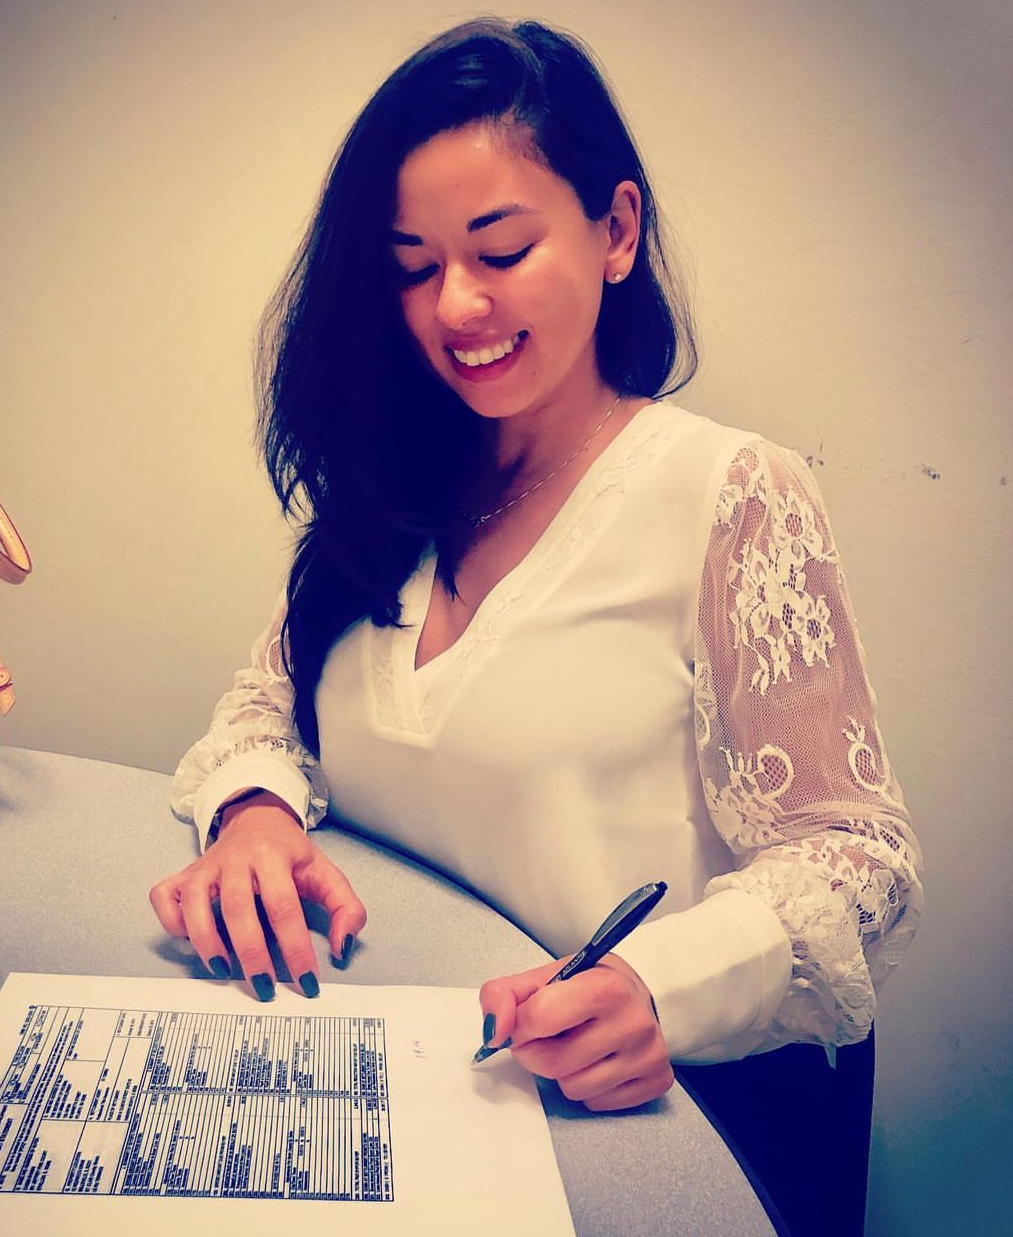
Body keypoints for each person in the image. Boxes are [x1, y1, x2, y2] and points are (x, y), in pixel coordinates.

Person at [149, 18, 922, 1237]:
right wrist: (251, 811)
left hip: (658, 1127)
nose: (455, 304)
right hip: (405, 1106)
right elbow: (271, 699)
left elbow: (859, 855)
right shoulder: (395, 487)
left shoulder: (729, 494)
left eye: (501, 250)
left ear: (616, 231)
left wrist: (658, 983)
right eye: (412, 267)